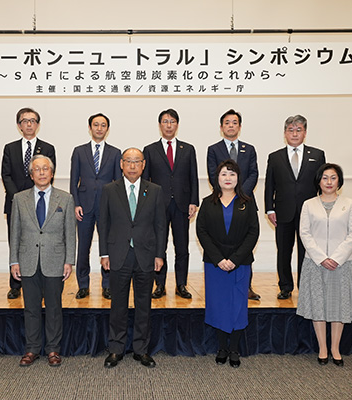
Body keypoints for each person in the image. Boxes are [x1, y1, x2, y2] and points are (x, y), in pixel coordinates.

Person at [99, 148, 166, 368]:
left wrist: (159, 254)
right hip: (118, 255)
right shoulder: (109, 190)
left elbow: (160, 225)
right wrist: (104, 253)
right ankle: (116, 348)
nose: (133, 166)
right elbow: (103, 223)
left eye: (137, 161)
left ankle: (141, 349)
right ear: (121, 164)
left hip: (146, 255)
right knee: (118, 305)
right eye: (128, 161)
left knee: (143, 305)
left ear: (143, 165)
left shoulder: (154, 190)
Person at [9, 155, 76, 367]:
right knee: (31, 308)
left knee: (54, 308)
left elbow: (70, 233)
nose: (42, 172)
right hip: (27, 261)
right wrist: (14, 261)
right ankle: (32, 349)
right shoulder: (19, 199)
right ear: (31, 175)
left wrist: (69, 261)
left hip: (55, 261)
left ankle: (53, 349)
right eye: (37, 169)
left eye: (45, 168)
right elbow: (15, 232)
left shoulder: (65, 199)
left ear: (52, 173)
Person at [197, 159, 259, 368]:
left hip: (240, 264)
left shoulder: (247, 203)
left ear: (238, 178)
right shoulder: (207, 203)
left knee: (238, 306)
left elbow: (253, 233)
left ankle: (234, 348)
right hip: (215, 264)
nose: (228, 178)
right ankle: (222, 347)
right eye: (224, 174)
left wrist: (234, 259)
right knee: (218, 305)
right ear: (217, 178)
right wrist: (219, 259)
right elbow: (202, 232)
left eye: (232, 174)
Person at [297, 163, 352, 367]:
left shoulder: (349, 204)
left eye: (333, 178)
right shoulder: (309, 205)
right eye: (325, 178)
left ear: (339, 181)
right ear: (319, 181)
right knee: (318, 305)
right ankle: (322, 348)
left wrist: (336, 258)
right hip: (315, 263)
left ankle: (335, 348)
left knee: (338, 305)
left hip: (342, 264)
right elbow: (304, 233)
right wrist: (321, 258)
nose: (329, 182)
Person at [264, 115, 326, 300]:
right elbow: (269, 185)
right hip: (283, 212)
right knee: (284, 251)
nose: (294, 134)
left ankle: (305, 286)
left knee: (307, 251)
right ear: (285, 133)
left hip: (310, 212)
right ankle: (285, 287)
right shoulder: (275, 157)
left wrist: (323, 207)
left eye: (299, 130)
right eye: (290, 130)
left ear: (305, 133)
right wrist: (270, 209)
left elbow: (323, 183)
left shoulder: (317, 155)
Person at [142, 109, 199, 299]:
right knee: (159, 246)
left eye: (172, 121)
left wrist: (193, 201)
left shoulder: (188, 149)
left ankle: (181, 284)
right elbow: (145, 181)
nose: (169, 125)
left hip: (182, 205)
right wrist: (146, 204)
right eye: (165, 121)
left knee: (182, 247)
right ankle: (160, 284)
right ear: (160, 125)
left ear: (177, 125)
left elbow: (193, 177)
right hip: (158, 205)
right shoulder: (150, 150)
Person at [2, 107, 56, 299]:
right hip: (16, 203)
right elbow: (6, 175)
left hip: (41, 203)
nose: (29, 124)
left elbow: (48, 175)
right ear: (19, 125)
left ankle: (40, 281)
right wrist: (20, 199)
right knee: (16, 242)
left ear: (38, 125)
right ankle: (15, 284)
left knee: (41, 243)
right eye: (25, 121)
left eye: (33, 121)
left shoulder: (48, 148)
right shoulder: (10, 148)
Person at [207, 109, 261, 300]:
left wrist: (240, 194)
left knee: (245, 245)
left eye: (235, 122)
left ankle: (247, 286)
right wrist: (228, 194)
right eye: (227, 123)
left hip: (245, 203)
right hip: (221, 202)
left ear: (240, 126)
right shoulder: (213, 149)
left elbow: (254, 173)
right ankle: (222, 282)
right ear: (221, 127)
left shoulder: (249, 149)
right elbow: (213, 174)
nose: (231, 126)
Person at [70, 113, 122, 300]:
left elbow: (118, 183)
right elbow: (74, 180)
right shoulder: (79, 151)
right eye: (96, 125)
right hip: (84, 206)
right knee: (83, 247)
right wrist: (76, 204)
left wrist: (116, 207)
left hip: (107, 206)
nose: (99, 128)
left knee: (107, 247)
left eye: (103, 125)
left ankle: (107, 285)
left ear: (107, 129)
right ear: (90, 127)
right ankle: (83, 285)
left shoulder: (115, 153)